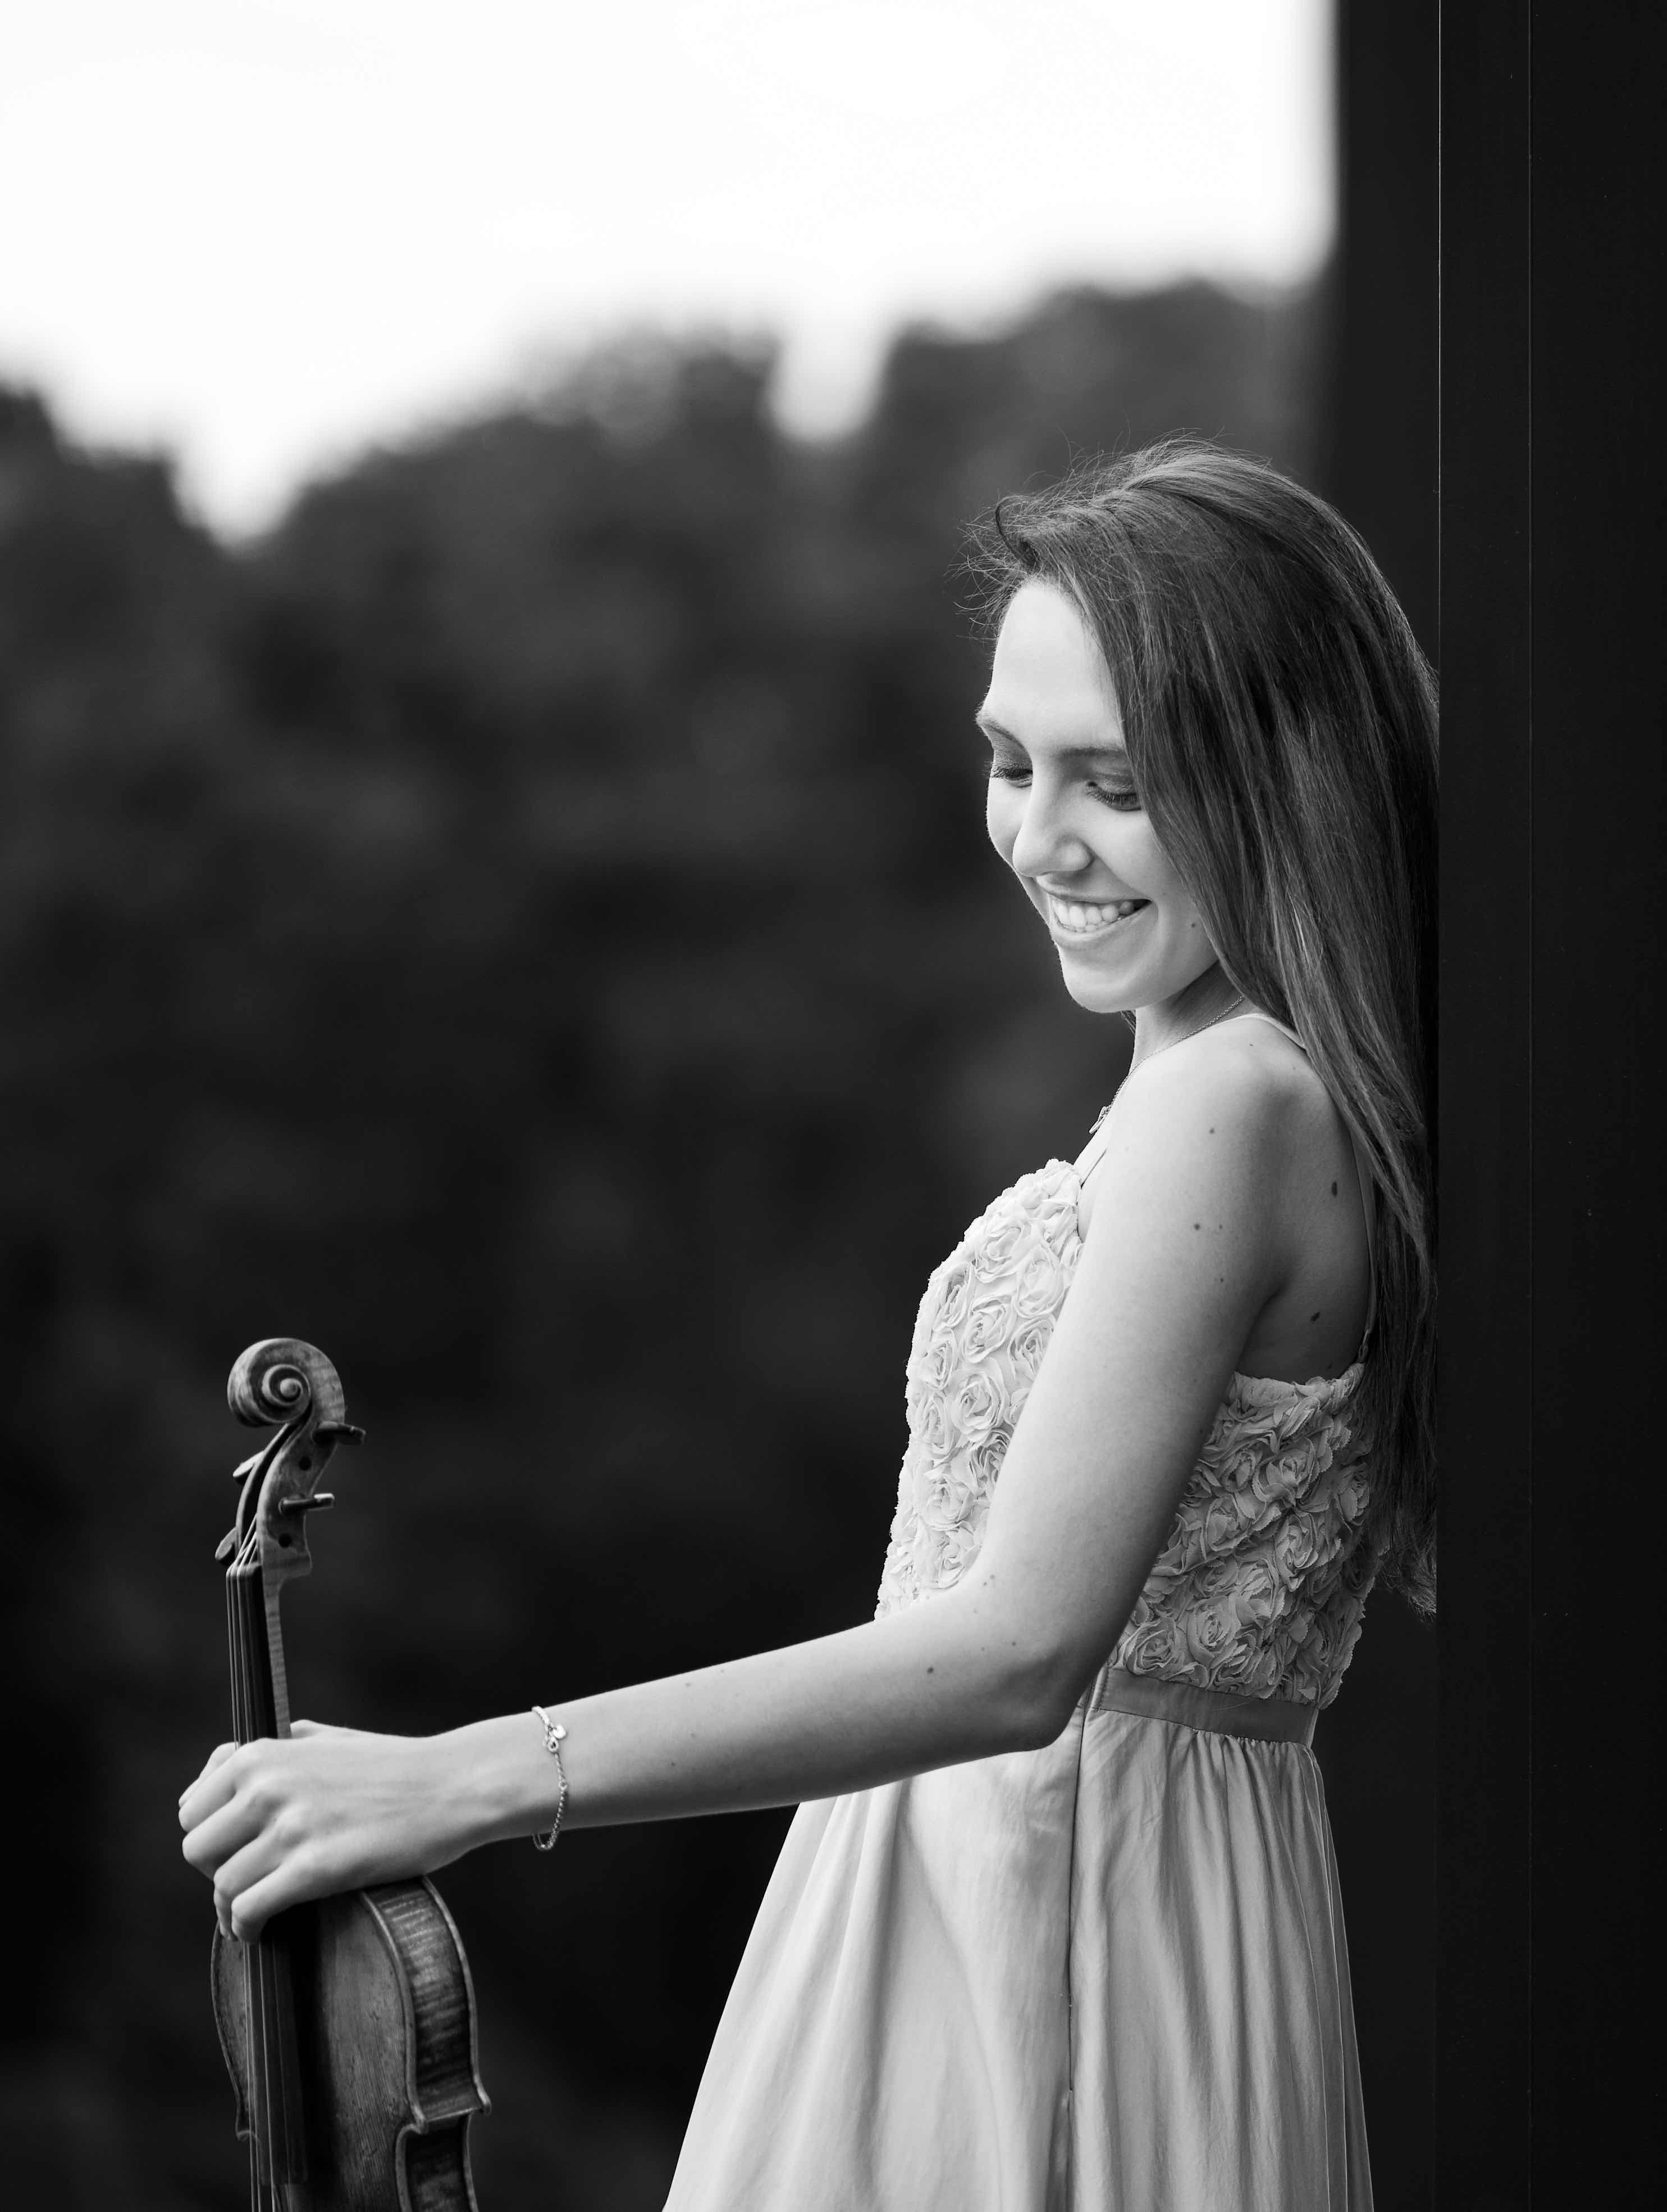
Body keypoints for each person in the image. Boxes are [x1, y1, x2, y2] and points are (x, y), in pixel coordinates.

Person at [180, 439, 1437, 2212]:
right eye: (1010, 763)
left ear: (1280, 779)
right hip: (1068, 1881)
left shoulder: (1231, 1102)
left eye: (1118, 783)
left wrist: (464, 1779)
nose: (1042, 836)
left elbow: (1013, 1651)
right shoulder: (1255, 1089)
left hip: (1053, 1898)